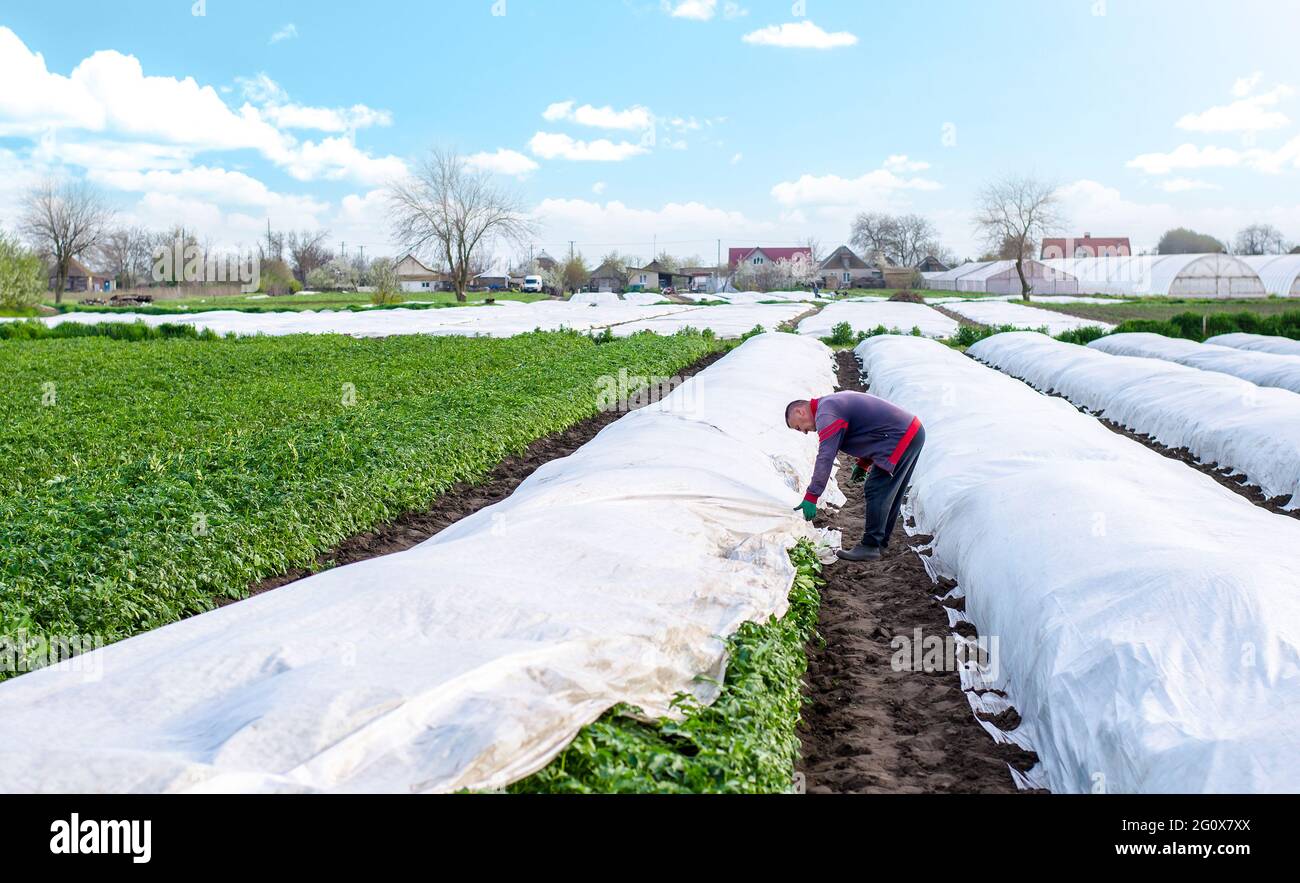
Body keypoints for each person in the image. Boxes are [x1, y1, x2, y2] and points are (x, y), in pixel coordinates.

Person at [785, 392, 925, 562]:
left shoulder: (826, 413)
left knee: (877, 488)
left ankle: (870, 546)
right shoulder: (830, 405)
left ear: (800, 412)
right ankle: (879, 544)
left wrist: (812, 495)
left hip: (901, 435)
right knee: (889, 490)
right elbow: (871, 429)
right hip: (909, 431)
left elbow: (826, 456)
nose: (804, 432)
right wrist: (863, 464)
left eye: (799, 427)